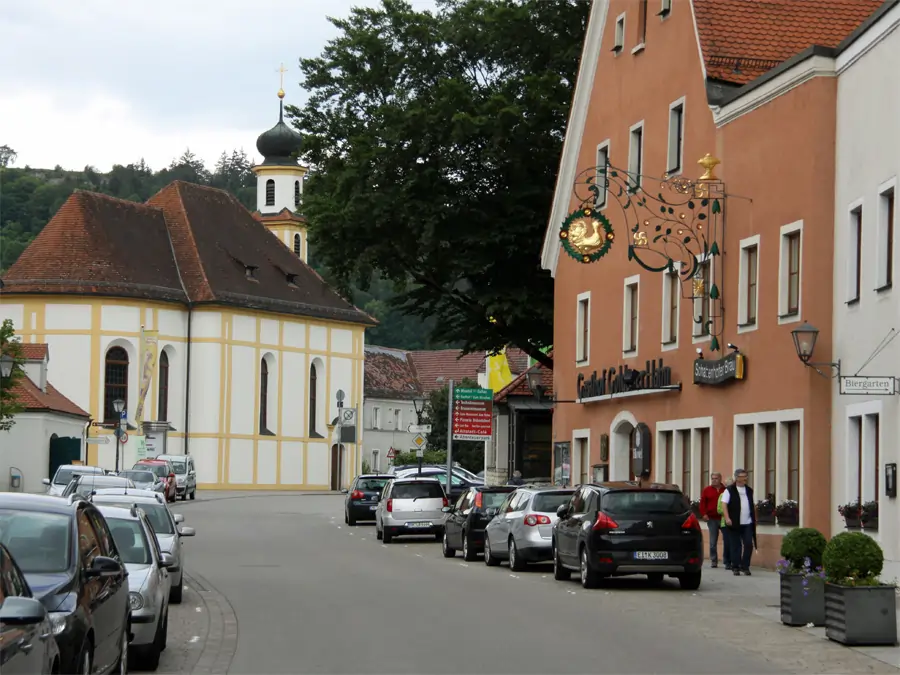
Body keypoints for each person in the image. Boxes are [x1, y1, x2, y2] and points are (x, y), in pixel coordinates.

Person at [722, 468, 757, 576]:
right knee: (736, 545)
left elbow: (752, 504)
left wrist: (755, 518)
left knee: (748, 544)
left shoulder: (749, 490)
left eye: (746, 476)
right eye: (743, 477)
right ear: (737, 478)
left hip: (748, 523)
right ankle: (735, 566)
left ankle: (745, 566)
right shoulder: (729, 490)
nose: (745, 479)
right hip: (735, 523)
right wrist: (727, 518)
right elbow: (724, 504)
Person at [699, 472, 725, 567]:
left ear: (720, 479)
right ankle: (714, 560)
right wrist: (704, 514)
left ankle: (727, 561)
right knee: (713, 541)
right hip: (712, 519)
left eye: (716, 478)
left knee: (727, 540)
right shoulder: (707, 490)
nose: (714, 480)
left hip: (723, 518)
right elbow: (702, 503)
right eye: (712, 478)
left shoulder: (725, 490)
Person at [716, 478, 734, 570]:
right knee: (727, 542)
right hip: (725, 523)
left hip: (736, 523)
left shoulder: (736, 495)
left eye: (732, 485)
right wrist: (728, 513)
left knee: (734, 542)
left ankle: (734, 561)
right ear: (726, 486)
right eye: (729, 485)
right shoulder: (722, 495)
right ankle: (727, 561)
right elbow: (719, 509)